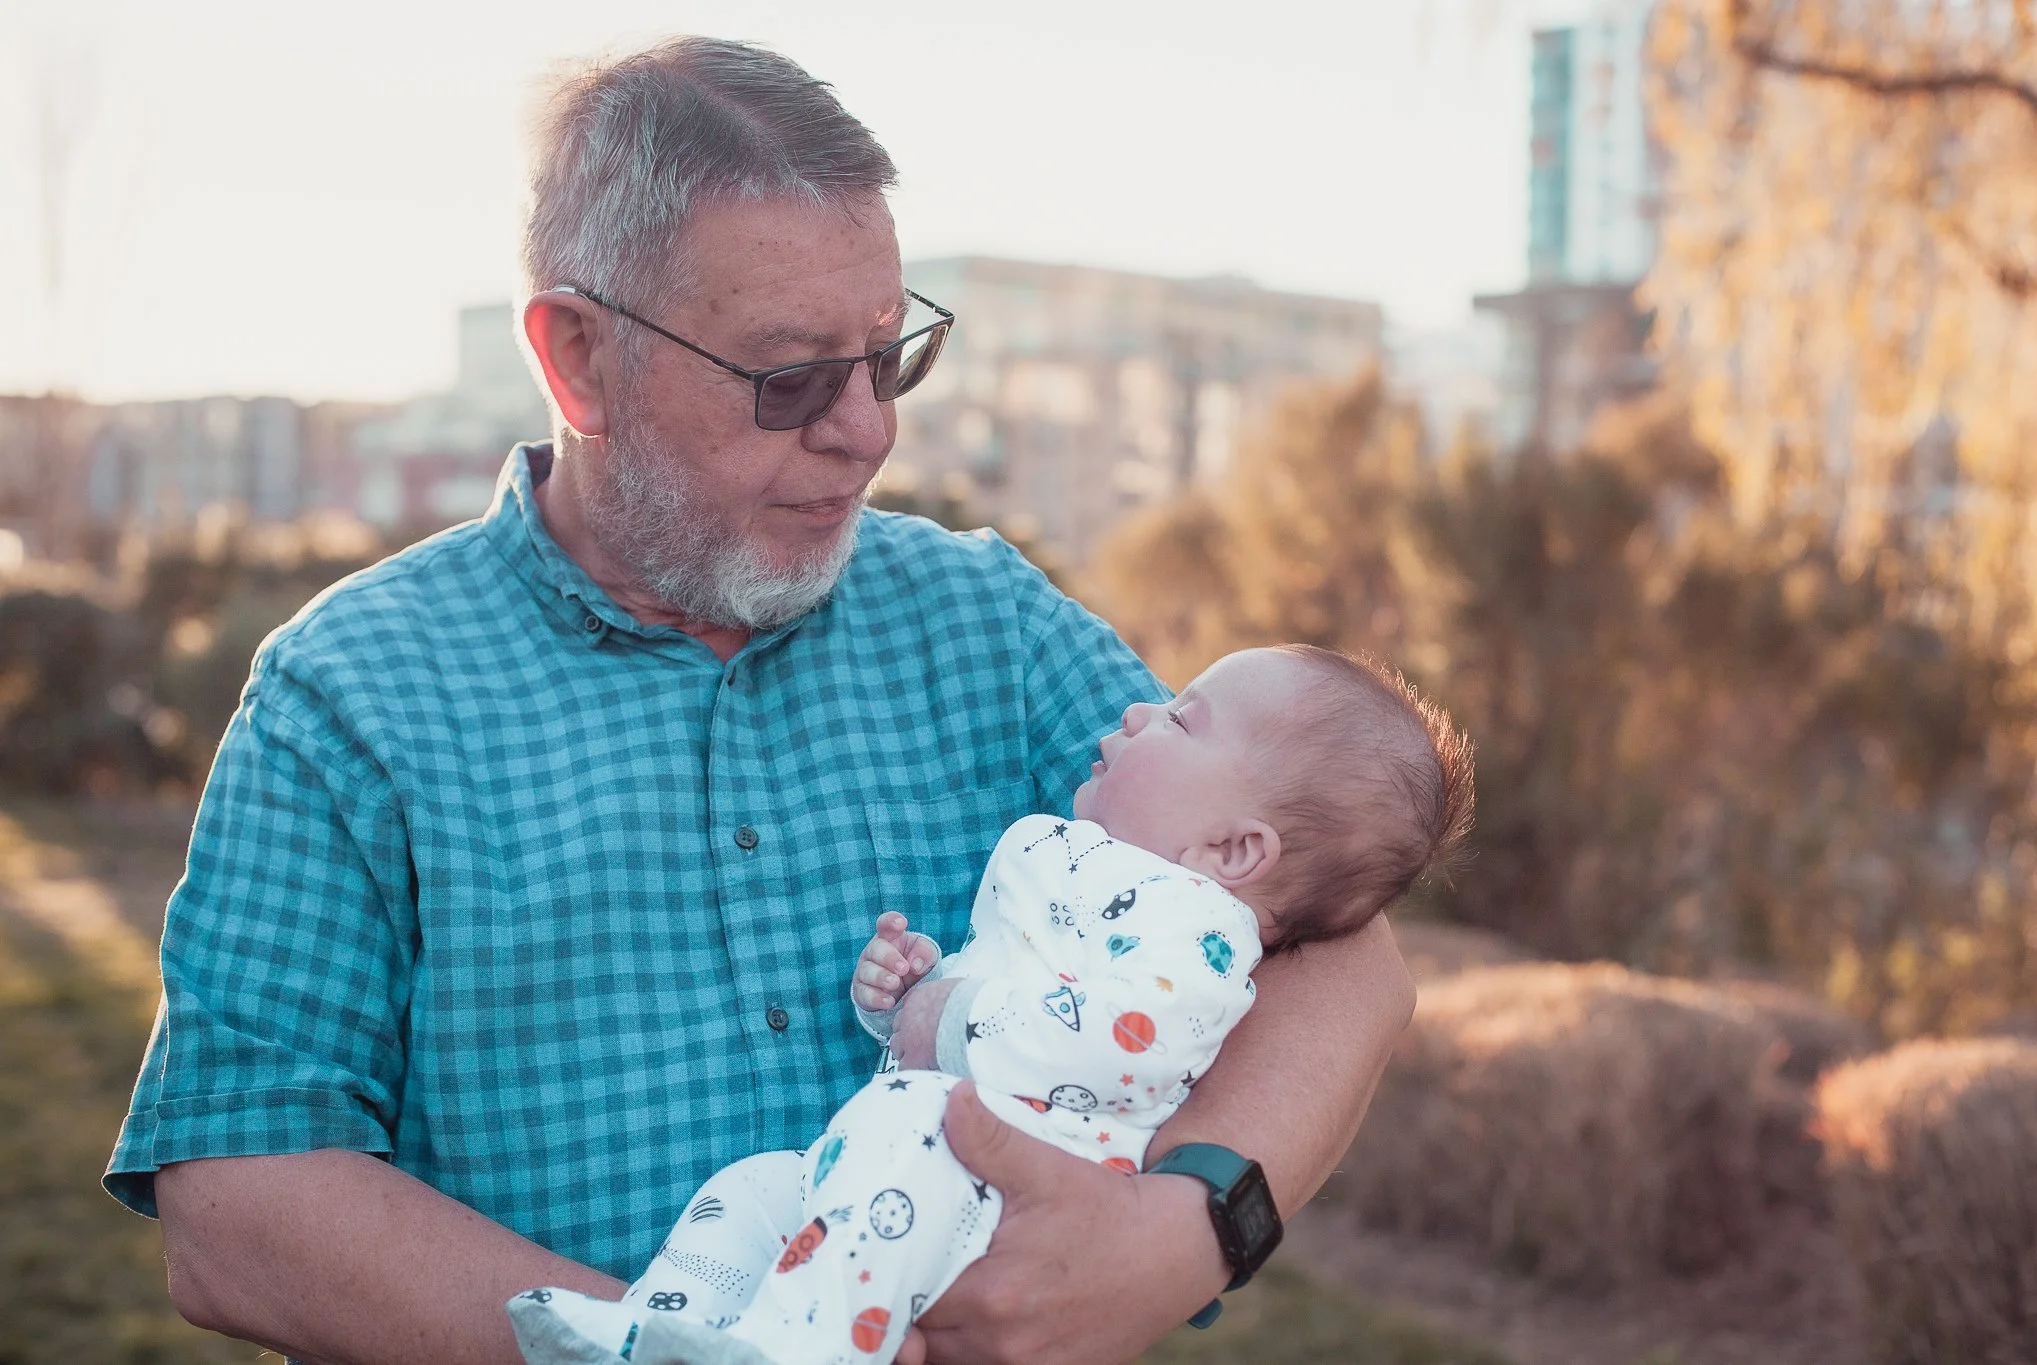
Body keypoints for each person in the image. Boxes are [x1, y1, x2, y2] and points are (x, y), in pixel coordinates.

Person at [104, 36, 1421, 1365]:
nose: (867, 430)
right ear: (580, 360)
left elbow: (1333, 935)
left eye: (887, 355)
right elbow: (239, 1202)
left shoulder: (985, 618)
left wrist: (1187, 1228)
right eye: (790, 376)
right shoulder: (350, 697)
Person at [507, 644, 1474, 1365]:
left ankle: (804, 1351)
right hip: (894, 1162)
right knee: (756, 1189)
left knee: (917, 1113)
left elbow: (1125, 1043)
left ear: (1235, 852)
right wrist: (910, 987)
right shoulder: (1107, 868)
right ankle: (656, 1329)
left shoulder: (1203, 934)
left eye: (1180, 717)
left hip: (1000, 1183)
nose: (1138, 709)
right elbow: (1000, 980)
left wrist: (952, 1019)